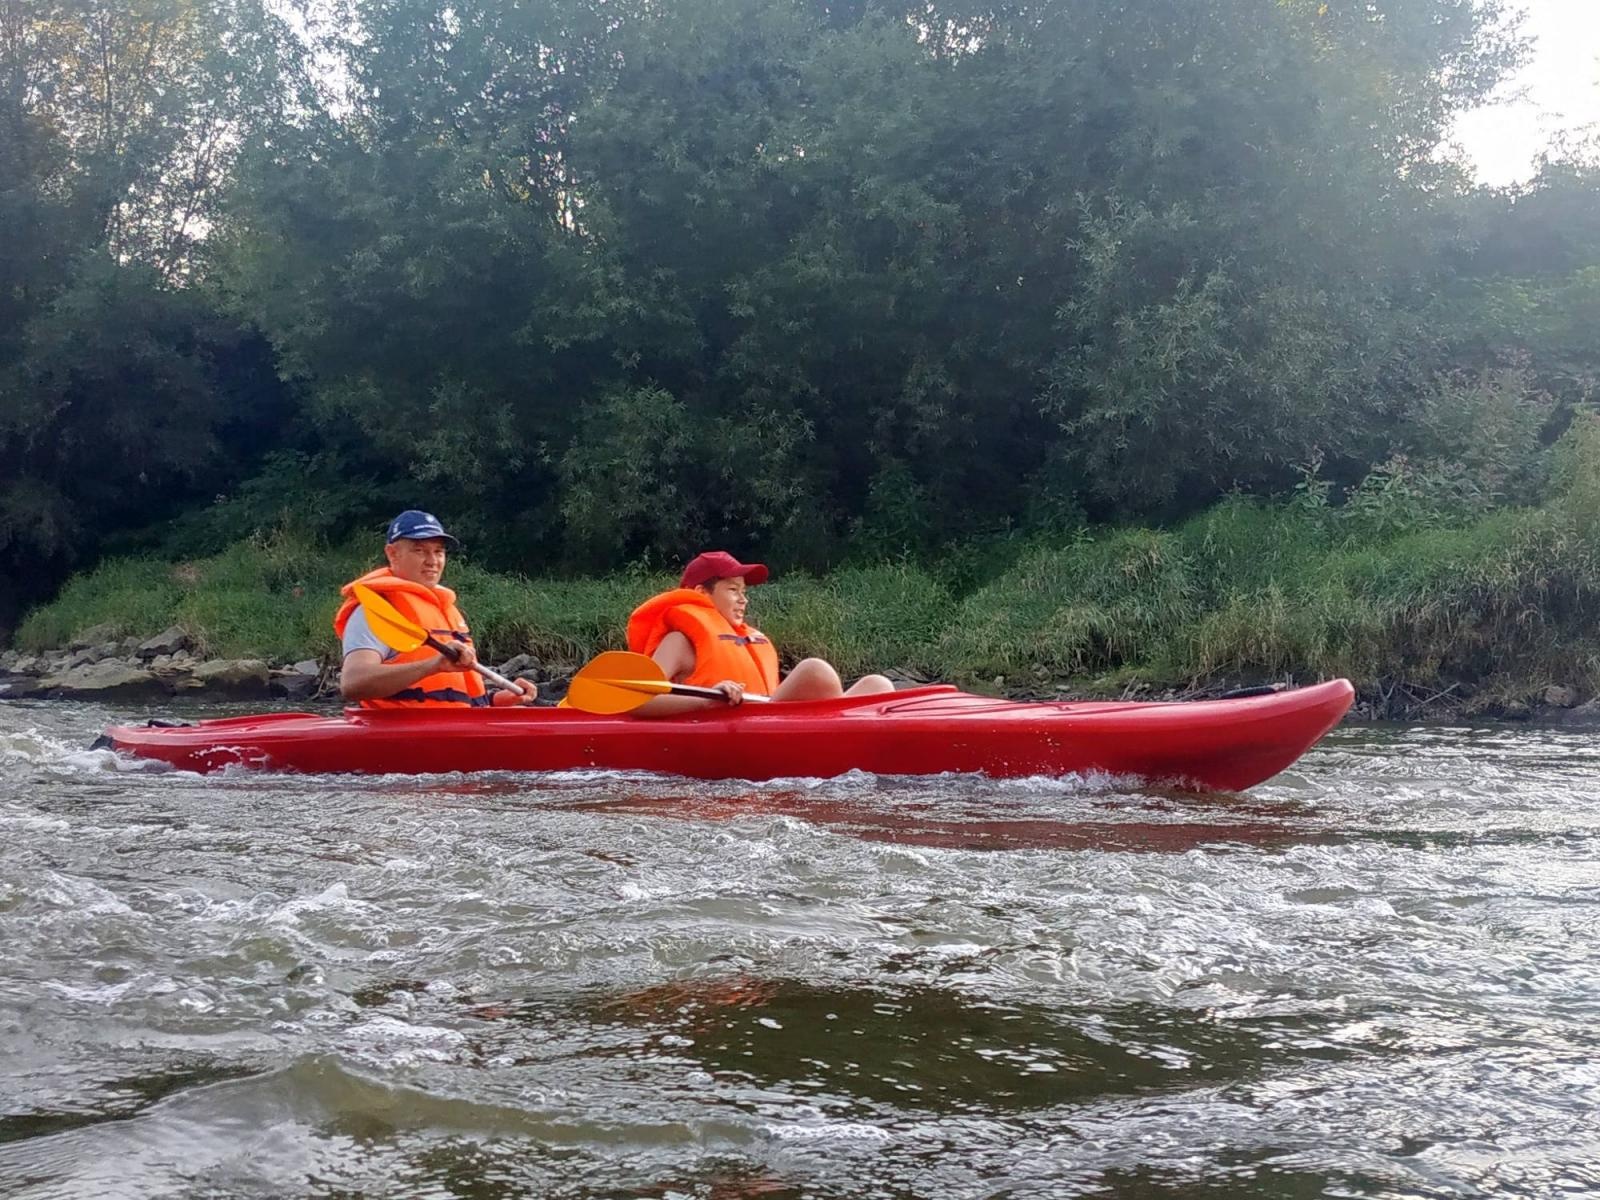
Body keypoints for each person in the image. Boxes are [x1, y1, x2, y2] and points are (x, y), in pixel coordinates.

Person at [625, 550, 894, 716]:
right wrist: (705, 702)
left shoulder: (746, 638)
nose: (743, 600)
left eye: (744, 592)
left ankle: (862, 733)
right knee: (815, 671)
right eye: (732, 590)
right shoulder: (680, 640)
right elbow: (640, 702)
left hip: (762, 716)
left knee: (877, 685)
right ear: (701, 594)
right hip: (733, 726)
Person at [333, 510, 537, 708]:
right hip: (402, 735)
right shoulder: (377, 609)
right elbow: (354, 683)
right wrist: (433, 665)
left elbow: (455, 698)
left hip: (453, 731)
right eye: (419, 550)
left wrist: (498, 699)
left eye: (438, 551)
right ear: (392, 553)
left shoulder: (445, 609)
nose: (432, 561)